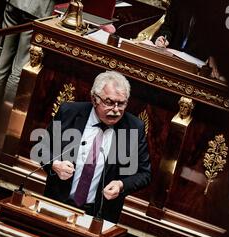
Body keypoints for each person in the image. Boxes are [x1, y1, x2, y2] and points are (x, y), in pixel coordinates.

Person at [40, 71, 151, 223]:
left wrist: (121, 185)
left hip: (99, 215)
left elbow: (144, 174)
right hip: (57, 204)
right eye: (109, 102)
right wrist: (55, 164)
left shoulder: (133, 128)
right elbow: (42, 148)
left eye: (122, 103)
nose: (116, 110)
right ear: (94, 99)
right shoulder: (69, 112)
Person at [0, 0, 59, 104]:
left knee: (0, 60)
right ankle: (5, 116)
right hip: (38, 10)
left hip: (15, 3)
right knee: (19, 68)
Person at [143, 0, 222, 79]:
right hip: (169, 59)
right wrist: (162, 38)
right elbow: (167, 27)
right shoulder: (179, 3)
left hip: (195, 67)